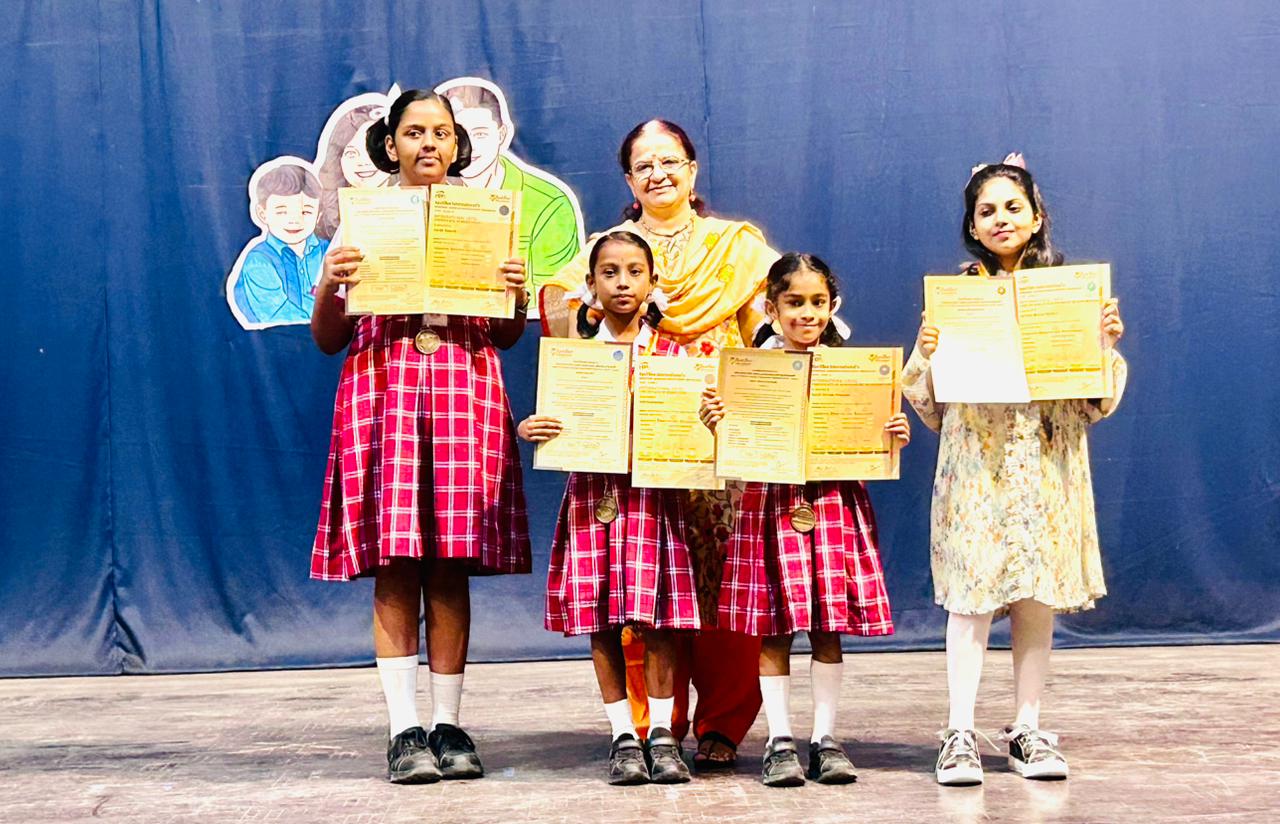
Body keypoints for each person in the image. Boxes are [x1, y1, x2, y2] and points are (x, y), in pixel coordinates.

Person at [308, 89, 533, 784]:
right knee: (397, 561)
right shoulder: (362, 221)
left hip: (465, 394)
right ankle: (403, 729)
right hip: (384, 395)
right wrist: (330, 283)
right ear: (391, 144)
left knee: (449, 565)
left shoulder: (486, 218)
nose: (428, 143)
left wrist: (517, 292)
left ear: (458, 145)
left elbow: (506, 334)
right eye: (414, 132)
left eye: (441, 132)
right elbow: (328, 339)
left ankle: (448, 723)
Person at [542, 119, 779, 770]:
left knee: (724, 578)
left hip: (713, 433)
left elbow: (772, 331)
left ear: (692, 170)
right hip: (632, 451)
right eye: (643, 165)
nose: (658, 174)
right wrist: (589, 311)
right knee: (642, 588)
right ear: (628, 180)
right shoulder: (608, 253)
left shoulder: (736, 249)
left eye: (669, 161)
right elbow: (565, 323)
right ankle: (652, 726)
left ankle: (723, 722)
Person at [902, 154, 1127, 786]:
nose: (1000, 219)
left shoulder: (1070, 293)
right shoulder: (958, 297)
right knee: (971, 597)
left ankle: (1027, 726)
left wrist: (1102, 346)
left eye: (1012, 207)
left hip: (1047, 464)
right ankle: (959, 732)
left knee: (1036, 595)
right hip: (978, 466)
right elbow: (930, 405)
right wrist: (926, 353)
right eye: (986, 211)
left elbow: (1096, 401)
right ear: (972, 226)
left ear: (1036, 216)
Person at [700, 253, 910, 787]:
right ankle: (779, 742)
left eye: (818, 302)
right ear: (771, 309)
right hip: (771, 503)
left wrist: (890, 433)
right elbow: (733, 443)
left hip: (832, 500)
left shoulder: (851, 372)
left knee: (826, 628)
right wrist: (717, 422)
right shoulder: (748, 371)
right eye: (794, 302)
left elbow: (873, 435)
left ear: (832, 306)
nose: (807, 313)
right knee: (773, 630)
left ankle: (825, 739)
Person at [519, 231, 697, 786]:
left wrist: (709, 418)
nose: (623, 283)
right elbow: (553, 420)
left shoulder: (677, 357)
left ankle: (662, 735)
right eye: (610, 273)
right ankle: (622, 735)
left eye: (635, 272)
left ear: (653, 281)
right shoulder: (574, 358)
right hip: (593, 499)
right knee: (602, 620)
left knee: (658, 620)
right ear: (591, 284)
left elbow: (694, 433)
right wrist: (533, 427)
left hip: (654, 501)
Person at [436, 77, 584, 298]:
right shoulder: (427, 198)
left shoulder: (549, 204)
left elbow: (557, 301)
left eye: (479, 134)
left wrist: (517, 295)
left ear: (502, 135)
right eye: (456, 136)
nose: (469, 147)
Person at [231, 160, 328, 325]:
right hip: (282, 338)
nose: (295, 220)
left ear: (318, 215)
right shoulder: (259, 261)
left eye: (306, 211)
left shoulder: (329, 251)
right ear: (263, 214)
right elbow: (278, 314)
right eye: (282, 212)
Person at [315, 100, 394, 240]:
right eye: (352, 153)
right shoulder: (324, 225)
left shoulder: (416, 204)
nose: (363, 162)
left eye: (372, 151)